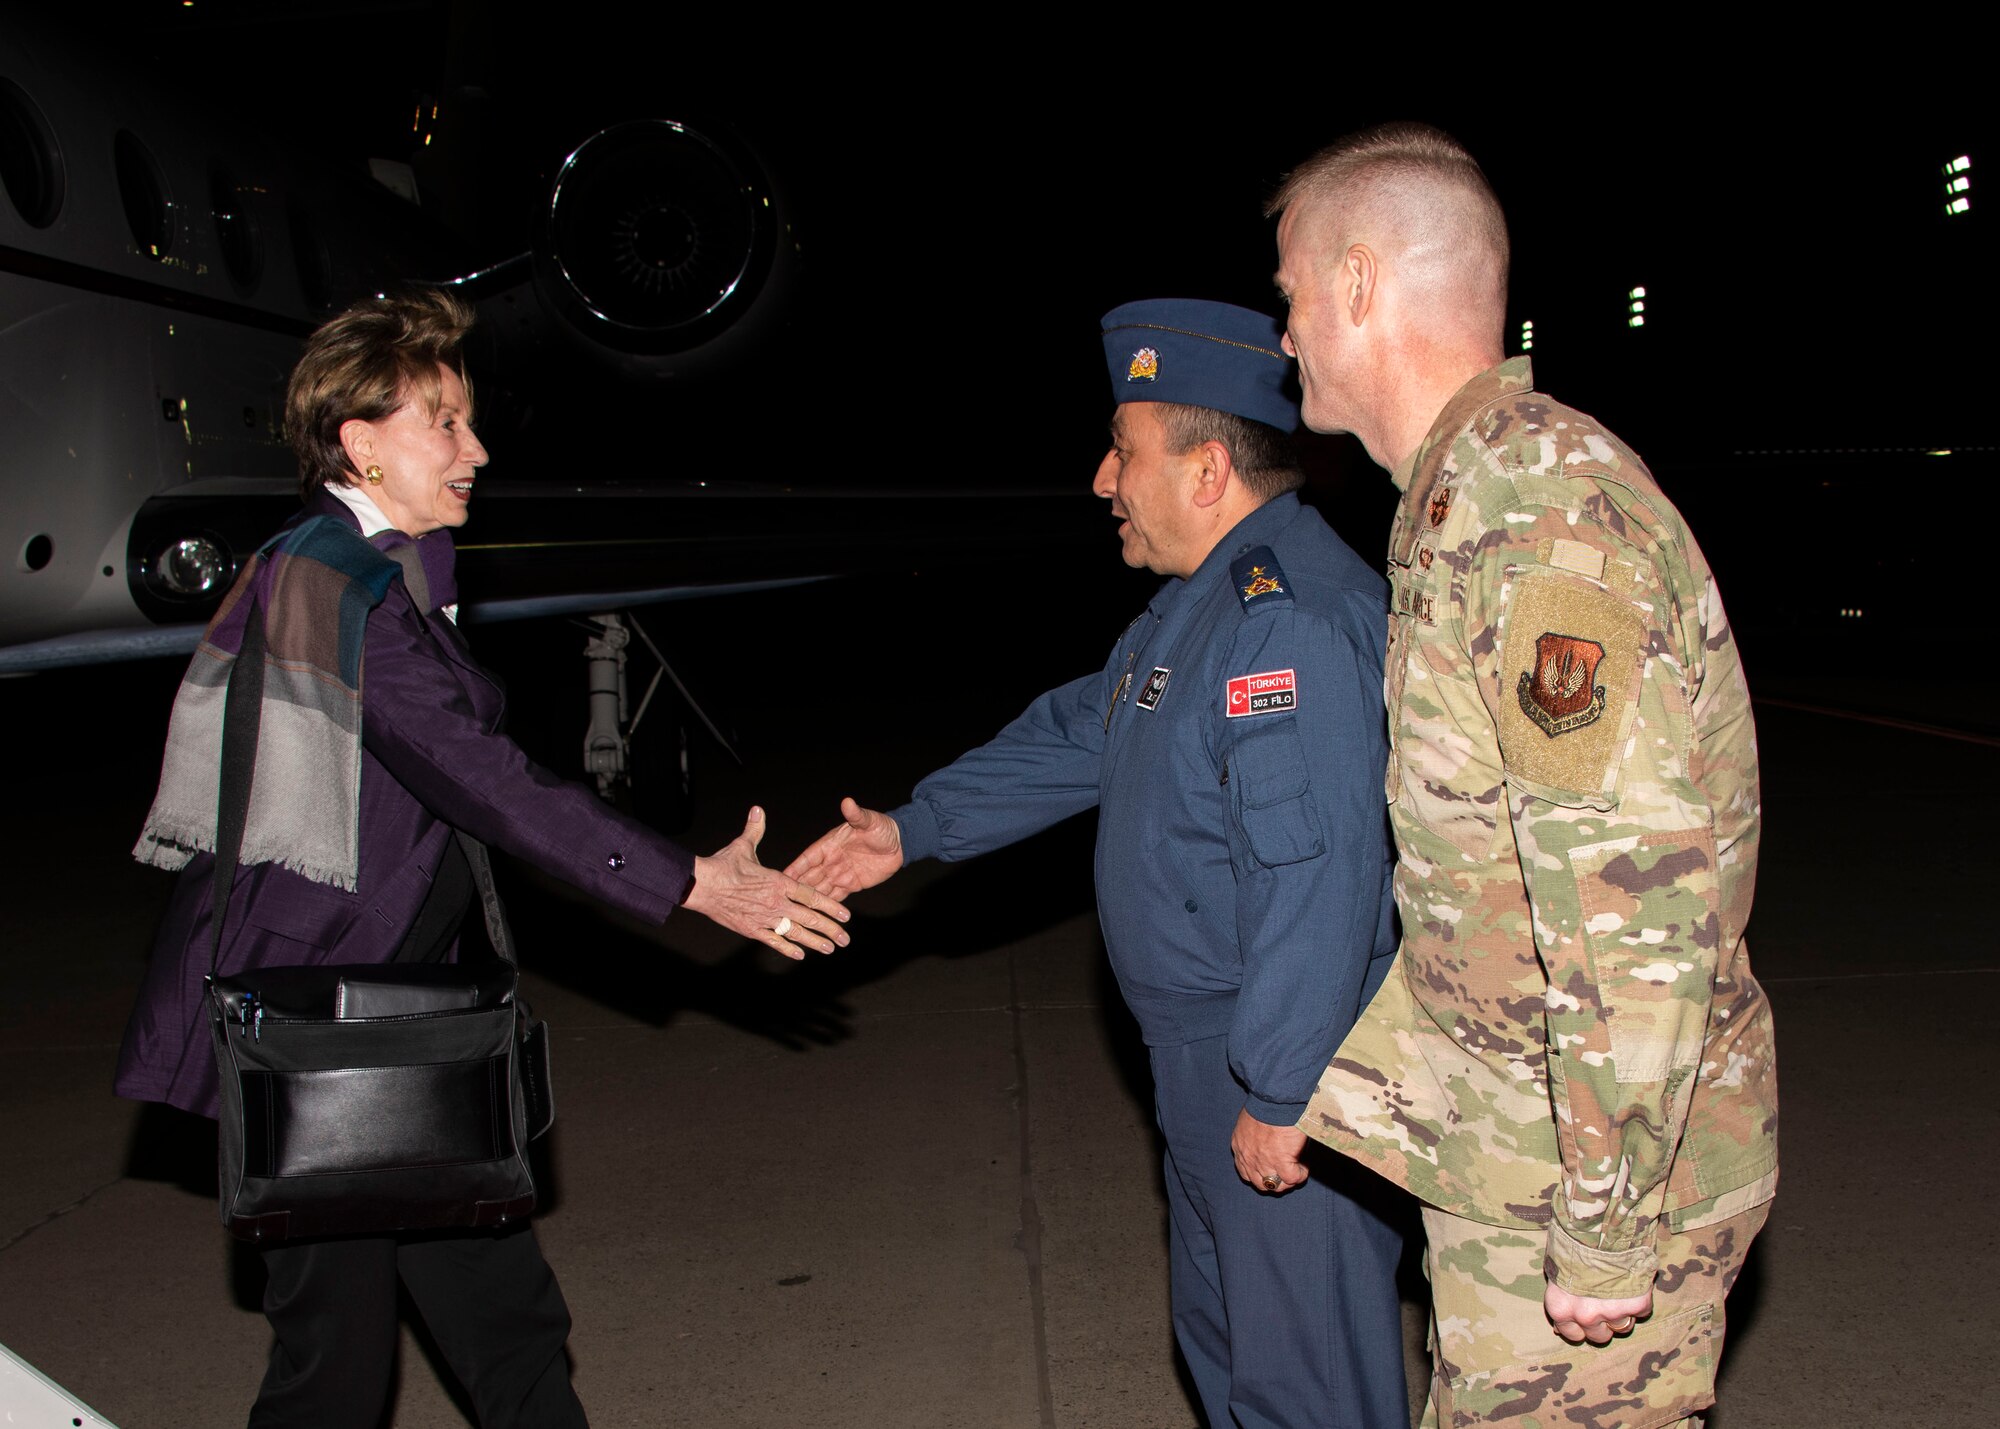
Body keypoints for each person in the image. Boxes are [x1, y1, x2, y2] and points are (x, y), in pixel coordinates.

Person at [116, 289, 850, 1428]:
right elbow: (481, 775)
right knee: (336, 1364)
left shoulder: (396, 566)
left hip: (400, 1016)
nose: (477, 449)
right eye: (444, 424)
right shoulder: (333, 583)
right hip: (324, 1025)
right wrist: (688, 880)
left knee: (504, 1316)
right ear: (360, 444)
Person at [786, 299, 1407, 1428]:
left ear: (1207, 470)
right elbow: (1089, 728)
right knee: (1231, 1364)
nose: (1101, 479)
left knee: (1306, 1389)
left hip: (1274, 1057)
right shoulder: (1200, 609)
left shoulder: (1288, 624)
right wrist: (911, 827)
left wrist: (1281, 1084)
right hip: (1206, 1059)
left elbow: (1316, 878)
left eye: (1123, 451)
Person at [1268, 123, 1778, 1427]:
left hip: (1589, 1170)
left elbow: (1631, 900)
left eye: (1291, 296)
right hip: (1517, 1153)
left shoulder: (1534, 510)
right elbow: (1485, 885)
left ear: (1361, 286)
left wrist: (1608, 1219)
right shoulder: (1465, 498)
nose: (1285, 339)